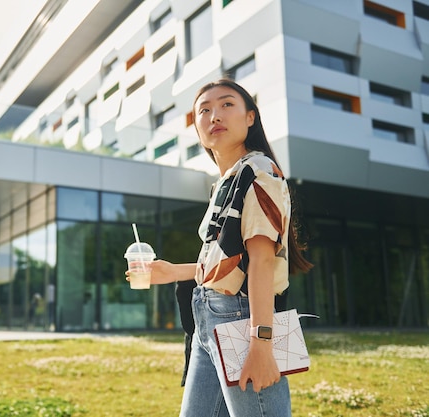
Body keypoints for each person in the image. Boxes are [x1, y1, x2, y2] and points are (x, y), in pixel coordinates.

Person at [127, 79, 312, 417]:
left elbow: (261, 261)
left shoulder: (258, 171)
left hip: (241, 318)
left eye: (227, 105)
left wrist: (261, 342)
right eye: (205, 110)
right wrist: (172, 272)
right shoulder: (227, 182)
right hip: (207, 320)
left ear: (250, 118)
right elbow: (229, 262)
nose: (215, 116)